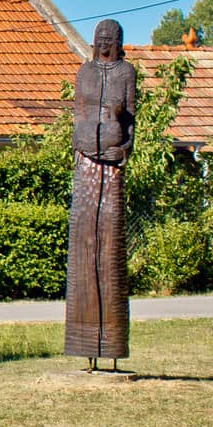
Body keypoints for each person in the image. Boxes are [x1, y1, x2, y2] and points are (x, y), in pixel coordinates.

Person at [66, 19, 136, 367]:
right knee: (82, 246)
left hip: (112, 165)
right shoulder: (84, 73)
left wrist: (122, 149)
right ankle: (82, 345)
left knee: (108, 250)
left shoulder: (126, 73)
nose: (104, 42)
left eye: (110, 38)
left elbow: (131, 122)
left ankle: (110, 346)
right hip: (85, 165)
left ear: (118, 41)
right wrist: (80, 145)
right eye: (99, 37)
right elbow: (78, 112)